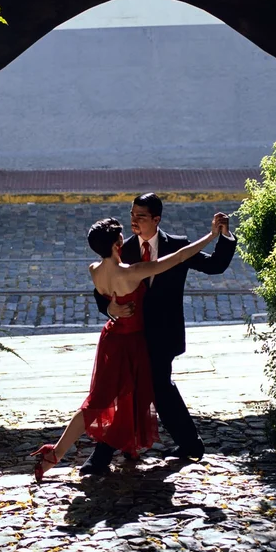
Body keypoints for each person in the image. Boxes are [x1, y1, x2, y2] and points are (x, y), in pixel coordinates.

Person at [30, 216, 223, 483]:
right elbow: (178, 257)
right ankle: (59, 453)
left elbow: (106, 296)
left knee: (107, 398)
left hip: (111, 340)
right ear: (118, 241)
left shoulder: (94, 270)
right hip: (132, 344)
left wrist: (111, 309)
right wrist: (211, 236)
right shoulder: (131, 273)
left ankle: (72, 452)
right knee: (110, 399)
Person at [80, 193, 237, 475]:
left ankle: (108, 453)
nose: (134, 222)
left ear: (156, 219)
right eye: (131, 215)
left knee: (158, 386)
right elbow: (100, 290)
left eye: (140, 216)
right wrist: (110, 307)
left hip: (163, 332)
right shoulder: (122, 249)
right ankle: (184, 444)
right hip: (130, 334)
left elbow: (215, 265)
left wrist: (223, 236)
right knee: (135, 389)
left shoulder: (177, 245)